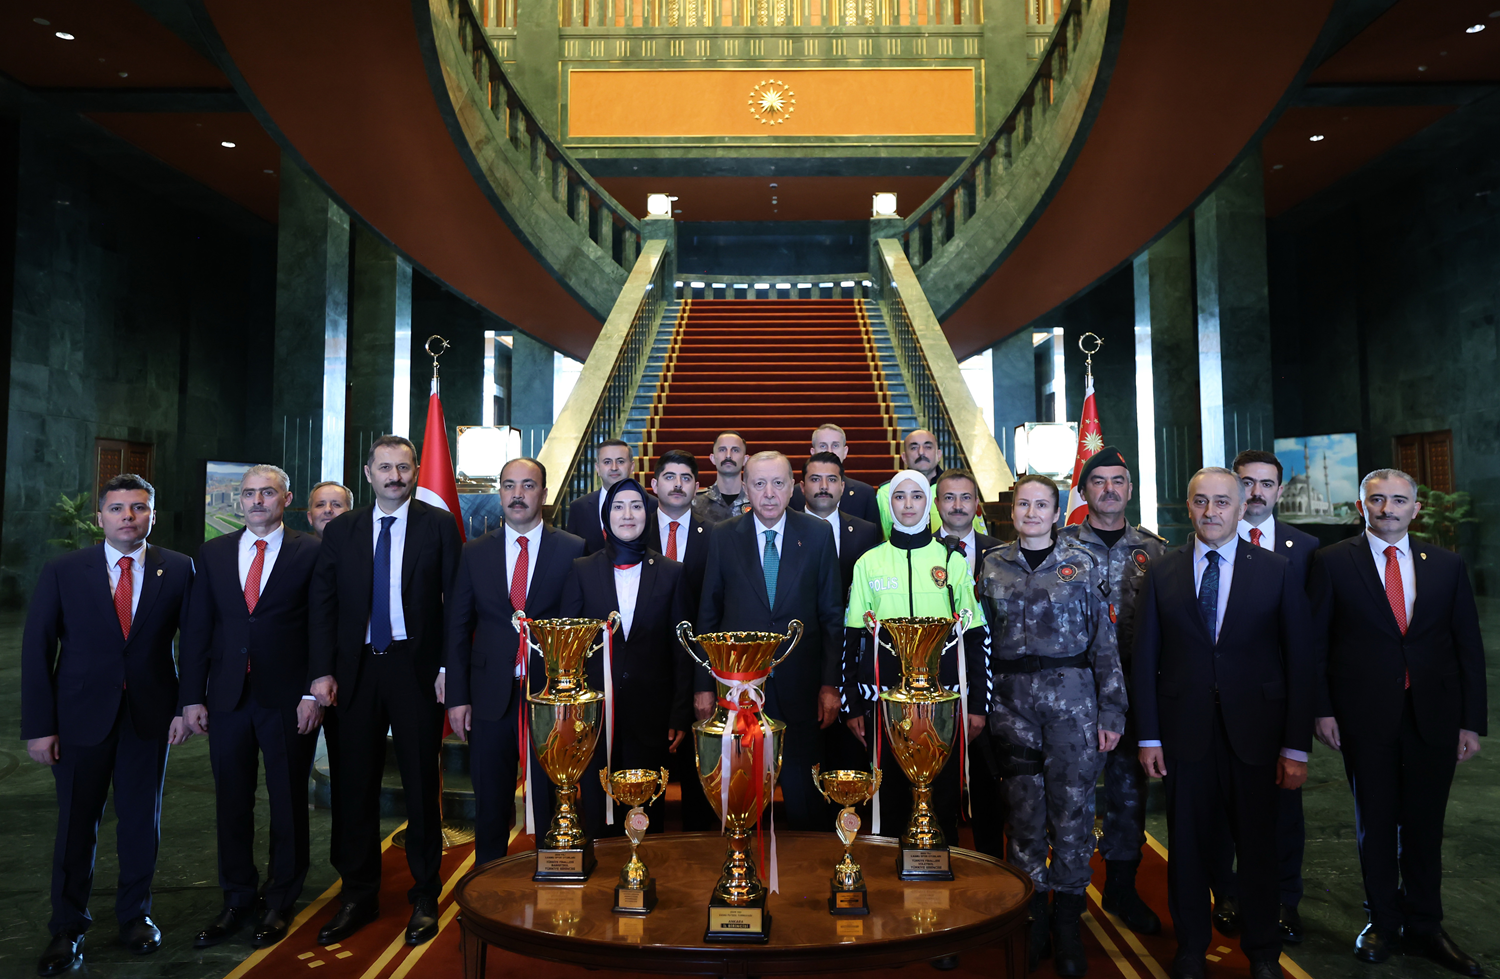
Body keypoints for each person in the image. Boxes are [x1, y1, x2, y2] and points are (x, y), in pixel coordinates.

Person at [1133, 467, 1313, 979]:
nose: (1210, 512)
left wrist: (1296, 748)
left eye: (1221, 503)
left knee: (1259, 847)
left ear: (1242, 508)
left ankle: (1262, 953)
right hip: (1183, 734)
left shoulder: (1277, 570)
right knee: (1187, 847)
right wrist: (1148, 734)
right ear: (1186, 506)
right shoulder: (1163, 571)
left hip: (1257, 735)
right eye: (1200, 502)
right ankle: (1191, 947)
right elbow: (1145, 658)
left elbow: (1300, 662)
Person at [1310, 469, 1486, 976]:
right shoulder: (1332, 562)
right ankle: (1383, 922)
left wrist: (1470, 721)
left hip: (1434, 715)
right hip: (1363, 716)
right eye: (1378, 499)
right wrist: (1322, 708)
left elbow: (1467, 647)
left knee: (1427, 826)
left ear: (1416, 508)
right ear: (1361, 505)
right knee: (1377, 824)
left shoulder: (1447, 565)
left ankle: (1427, 925)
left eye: (1399, 500)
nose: (1388, 508)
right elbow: (1316, 645)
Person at [22, 474, 195, 976]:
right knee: (77, 825)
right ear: (100, 517)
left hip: (150, 718)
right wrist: (40, 725)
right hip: (77, 720)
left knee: (143, 821)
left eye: (138, 508)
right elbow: (37, 650)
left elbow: (198, 643)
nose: (127, 516)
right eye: (117, 508)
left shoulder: (179, 569)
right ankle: (67, 927)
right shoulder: (64, 571)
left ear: (152, 516)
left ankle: (135, 916)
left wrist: (187, 706)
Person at [308, 436, 462, 948]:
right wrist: (321, 672)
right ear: (368, 473)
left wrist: (446, 667)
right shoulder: (343, 529)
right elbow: (323, 605)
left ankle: (424, 892)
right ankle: (358, 893)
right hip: (353, 671)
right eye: (385, 467)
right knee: (354, 785)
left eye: (404, 467)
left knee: (421, 782)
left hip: (414, 668)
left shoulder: (437, 525)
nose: (395, 476)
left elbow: (455, 602)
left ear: (417, 470)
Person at [978, 473, 1124, 976]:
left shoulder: (1081, 565)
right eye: (1024, 504)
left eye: (1043, 505)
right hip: (1012, 705)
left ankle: (1067, 923)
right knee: (1023, 815)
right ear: (1011, 512)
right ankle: (1032, 916)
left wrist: (1112, 711)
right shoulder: (991, 565)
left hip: (1073, 702)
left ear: (1058, 514)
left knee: (1073, 812)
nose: (1033, 513)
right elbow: (978, 642)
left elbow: (1105, 643)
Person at [179, 465, 323, 949]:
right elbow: (198, 628)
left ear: (286, 499)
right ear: (237, 501)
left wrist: (311, 692)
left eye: (267, 493)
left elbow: (323, 624)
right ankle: (237, 897)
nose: (257, 501)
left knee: (286, 803)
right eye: (248, 494)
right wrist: (191, 697)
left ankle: (281, 899)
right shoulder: (214, 552)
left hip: (287, 698)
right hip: (226, 698)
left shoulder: (310, 550)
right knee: (232, 802)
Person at [1202, 449, 1322, 943]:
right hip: (1216, 706)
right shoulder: (1201, 546)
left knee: (1282, 813)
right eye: (1246, 482)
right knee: (1220, 812)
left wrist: (1310, 715)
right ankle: (1227, 893)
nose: (1256, 492)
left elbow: (1311, 640)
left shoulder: (1309, 549)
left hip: (1276, 706)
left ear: (1277, 490)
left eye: (1266, 484)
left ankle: (1284, 901)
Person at [694, 450, 844, 830]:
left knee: (804, 801)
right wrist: (704, 686)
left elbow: (830, 617)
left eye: (778, 483)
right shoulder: (724, 537)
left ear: (793, 486)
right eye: (759, 484)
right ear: (745, 487)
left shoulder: (817, 535)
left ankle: (804, 883)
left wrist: (830, 685)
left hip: (802, 690)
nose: (769, 493)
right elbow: (708, 616)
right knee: (741, 799)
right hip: (739, 691)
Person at [446, 458, 585, 865]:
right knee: (490, 796)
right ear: (500, 493)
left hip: (549, 694)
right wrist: (457, 697)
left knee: (550, 792)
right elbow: (458, 627)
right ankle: (489, 880)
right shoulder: (475, 552)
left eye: (528, 485)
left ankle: (553, 870)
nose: (518, 494)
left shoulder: (573, 549)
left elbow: (577, 624)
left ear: (544, 492)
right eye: (509, 486)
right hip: (491, 694)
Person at [842, 468, 987, 849]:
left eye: (917, 496)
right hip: (885, 701)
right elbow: (852, 637)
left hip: (943, 701)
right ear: (889, 505)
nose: (908, 504)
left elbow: (974, 635)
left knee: (941, 791)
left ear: (930, 504)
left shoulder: (951, 562)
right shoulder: (868, 563)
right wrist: (851, 703)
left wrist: (979, 704)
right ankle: (891, 873)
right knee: (888, 791)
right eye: (900, 497)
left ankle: (943, 859)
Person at [1055, 448, 1167, 935]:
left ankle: (1122, 887)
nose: (1109, 489)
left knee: (1127, 795)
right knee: (1069, 797)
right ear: (1082, 492)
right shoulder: (1057, 547)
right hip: (1071, 693)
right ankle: (1066, 897)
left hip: (1134, 693)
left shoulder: (1157, 551)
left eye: (1118, 480)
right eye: (1098, 481)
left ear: (1130, 487)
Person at [560, 477, 693, 838]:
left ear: (648, 514)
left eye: (636, 505)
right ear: (607, 516)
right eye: (618, 506)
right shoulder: (582, 569)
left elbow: (681, 649)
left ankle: (645, 879)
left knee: (647, 813)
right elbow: (570, 646)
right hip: (596, 715)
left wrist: (680, 712)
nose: (628, 514)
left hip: (652, 714)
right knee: (599, 809)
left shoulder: (670, 572)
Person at [931, 468, 1006, 861]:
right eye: (948, 497)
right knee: (942, 785)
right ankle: (946, 860)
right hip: (943, 686)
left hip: (992, 686)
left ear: (977, 503)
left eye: (965, 497)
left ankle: (992, 862)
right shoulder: (922, 553)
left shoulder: (1000, 552)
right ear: (936, 503)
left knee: (989, 783)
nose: (957, 505)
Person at [645, 449, 719, 831]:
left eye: (686, 478)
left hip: (699, 665)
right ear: (654, 485)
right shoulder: (635, 531)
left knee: (698, 773)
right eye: (670, 477)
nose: (678, 484)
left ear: (697, 487)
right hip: (648, 669)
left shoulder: (717, 536)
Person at [876, 429, 988, 537]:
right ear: (904, 457)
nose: (921, 452)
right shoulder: (886, 492)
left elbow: (979, 535)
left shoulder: (961, 488)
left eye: (928, 447)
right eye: (914, 447)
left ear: (939, 455)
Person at [799, 451, 882, 594]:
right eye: (815, 479)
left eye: (831, 479)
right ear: (802, 487)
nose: (824, 486)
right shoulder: (786, 528)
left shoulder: (865, 532)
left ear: (842, 487)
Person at [567, 440, 653, 554]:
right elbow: (572, 553)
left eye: (620, 461)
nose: (614, 467)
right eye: (607, 462)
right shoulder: (579, 507)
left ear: (632, 466)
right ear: (597, 468)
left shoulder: (652, 505)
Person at [789, 423, 881, 523]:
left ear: (845, 451)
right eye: (823, 446)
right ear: (813, 452)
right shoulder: (794, 494)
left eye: (835, 445)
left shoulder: (865, 493)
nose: (829, 451)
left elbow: (874, 536)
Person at [692, 431, 750, 523]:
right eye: (722, 450)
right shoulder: (696, 503)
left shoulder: (756, 501)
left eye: (735, 450)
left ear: (745, 460)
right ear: (712, 458)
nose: (728, 455)